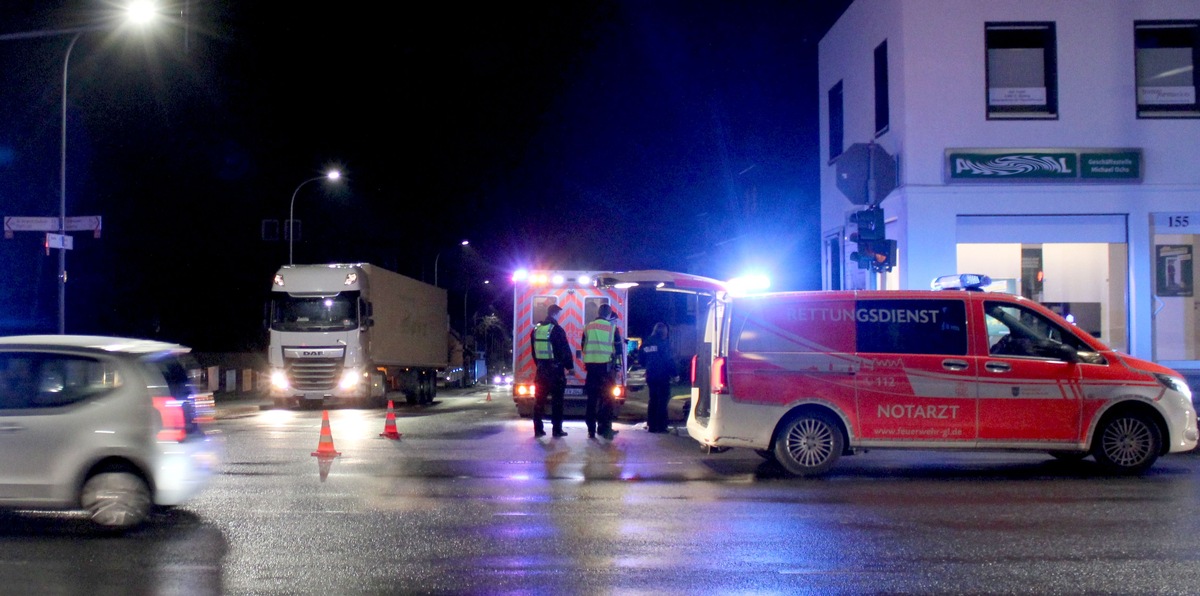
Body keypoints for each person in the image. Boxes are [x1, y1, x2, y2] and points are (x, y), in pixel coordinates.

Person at [530, 304, 573, 438]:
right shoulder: (557, 330)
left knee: (539, 401)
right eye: (559, 314)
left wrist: (540, 364)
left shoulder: (536, 329)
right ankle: (557, 430)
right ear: (555, 314)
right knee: (557, 402)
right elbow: (564, 351)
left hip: (541, 371)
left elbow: (534, 352)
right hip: (555, 372)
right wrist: (569, 367)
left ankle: (538, 429)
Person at [582, 303, 623, 440]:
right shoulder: (612, 328)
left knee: (591, 401)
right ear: (608, 314)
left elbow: (583, 346)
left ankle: (591, 431)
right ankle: (604, 429)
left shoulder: (588, 327)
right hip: (606, 370)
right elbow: (618, 352)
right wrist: (617, 367)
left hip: (591, 370)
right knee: (607, 400)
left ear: (598, 313)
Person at [640, 322, 675, 433]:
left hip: (650, 375)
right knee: (663, 400)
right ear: (664, 332)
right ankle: (661, 426)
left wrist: (648, 365)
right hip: (662, 375)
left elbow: (641, 359)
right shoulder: (663, 343)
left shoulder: (646, 343)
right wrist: (675, 373)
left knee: (653, 399)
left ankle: (652, 425)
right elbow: (669, 359)